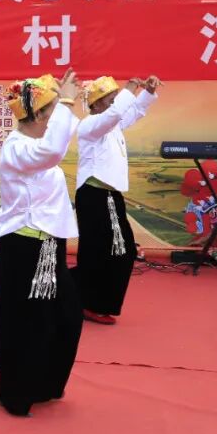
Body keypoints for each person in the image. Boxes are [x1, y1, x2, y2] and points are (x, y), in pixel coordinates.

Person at [0, 69, 83, 416]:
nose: (58, 119)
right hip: (24, 247)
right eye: (52, 111)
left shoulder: (39, 144)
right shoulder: (17, 149)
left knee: (66, 318)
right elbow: (53, 151)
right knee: (28, 324)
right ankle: (15, 394)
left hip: (49, 245)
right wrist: (65, 101)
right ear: (38, 115)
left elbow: (66, 133)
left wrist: (68, 99)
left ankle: (45, 385)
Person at [73, 75, 159, 325]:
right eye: (110, 100)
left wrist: (147, 92)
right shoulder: (90, 125)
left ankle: (78, 296)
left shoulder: (112, 125)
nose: (114, 104)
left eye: (115, 99)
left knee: (119, 252)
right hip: (94, 195)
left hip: (109, 196)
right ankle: (88, 303)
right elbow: (116, 113)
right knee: (101, 253)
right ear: (97, 103)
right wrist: (129, 89)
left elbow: (134, 111)